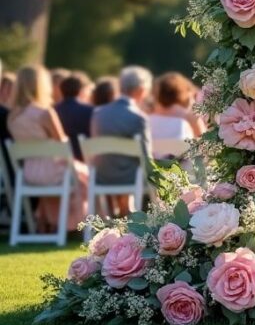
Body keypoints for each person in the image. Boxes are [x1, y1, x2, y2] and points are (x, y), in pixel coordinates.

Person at [6, 65, 88, 232]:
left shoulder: (12, 117)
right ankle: (79, 226)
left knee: (74, 176)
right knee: (88, 176)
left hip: (29, 174)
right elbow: (63, 145)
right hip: (53, 172)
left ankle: (49, 223)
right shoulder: (44, 113)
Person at [89, 66, 152, 217]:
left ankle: (122, 214)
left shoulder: (98, 114)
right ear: (141, 90)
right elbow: (145, 157)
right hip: (129, 178)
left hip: (101, 175)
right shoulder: (139, 117)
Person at [147, 73, 198, 153]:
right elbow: (207, 147)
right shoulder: (190, 118)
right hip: (183, 164)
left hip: (153, 164)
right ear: (182, 92)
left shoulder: (148, 118)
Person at [54, 73, 94, 161]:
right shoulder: (90, 110)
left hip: (59, 159)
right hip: (84, 159)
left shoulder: (53, 110)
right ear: (81, 90)